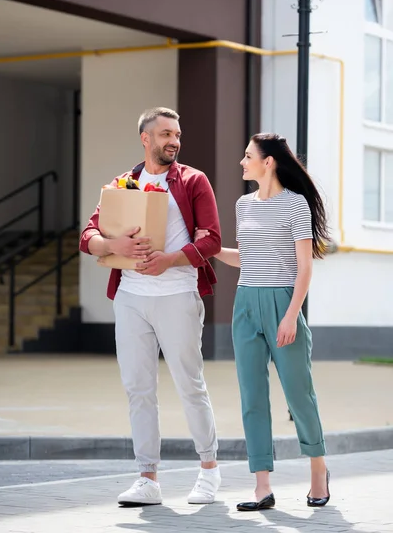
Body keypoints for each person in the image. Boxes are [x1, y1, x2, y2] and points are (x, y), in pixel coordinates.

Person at [79, 107, 222, 506]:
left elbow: (211, 239)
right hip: (130, 297)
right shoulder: (123, 184)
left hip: (177, 294)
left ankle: (209, 470)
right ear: (146, 139)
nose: (173, 140)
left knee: (189, 385)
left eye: (176, 134)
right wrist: (113, 246)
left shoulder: (194, 181)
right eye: (165, 134)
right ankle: (148, 479)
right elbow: (88, 234)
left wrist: (170, 260)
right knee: (138, 389)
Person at [196, 132, 331, 511]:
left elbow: (304, 269)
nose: (242, 162)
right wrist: (209, 249)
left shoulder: (296, 206)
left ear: (268, 161)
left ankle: (318, 472)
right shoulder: (243, 205)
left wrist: (291, 316)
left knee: (299, 394)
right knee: (252, 397)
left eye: (247, 156)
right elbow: (249, 258)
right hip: (246, 304)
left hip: (282, 303)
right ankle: (262, 486)